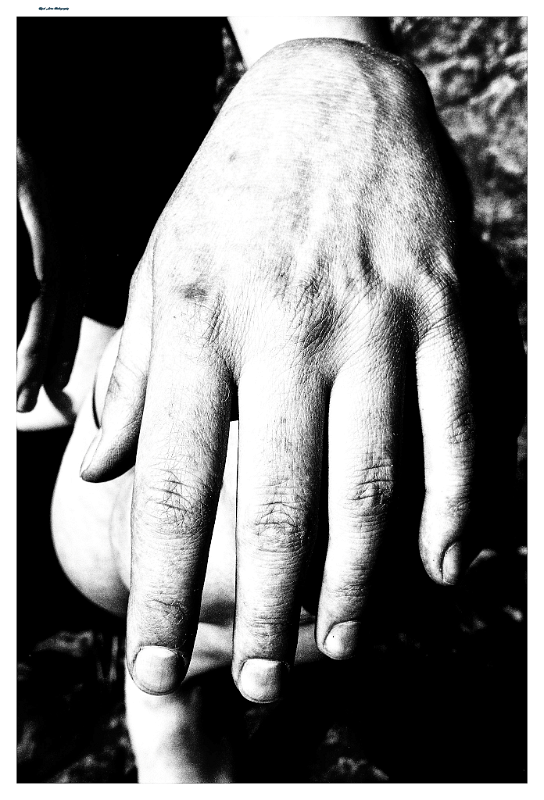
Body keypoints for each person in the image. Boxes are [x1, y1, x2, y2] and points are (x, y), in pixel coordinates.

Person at [17, 17, 524, 781]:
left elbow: (308, 30)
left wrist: (336, 77)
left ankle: (188, 681)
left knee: (243, 532)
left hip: (158, 300)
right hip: (90, 384)